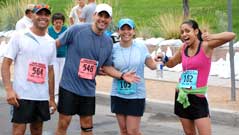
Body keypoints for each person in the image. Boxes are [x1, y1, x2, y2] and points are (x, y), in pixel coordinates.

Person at [55, 4, 139, 135]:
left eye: (107, 17)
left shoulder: (108, 42)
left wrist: (122, 75)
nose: (103, 19)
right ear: (94, 15)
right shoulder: (77, 30)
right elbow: (56, 44)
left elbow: (107, 66)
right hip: (69, 87)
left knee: (87, 126)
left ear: (110, 20)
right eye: (100, 15)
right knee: (63, 124)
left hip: (88, 90)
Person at [157, 19, 235, 135]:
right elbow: (172, 63)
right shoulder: (183, 48)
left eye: (187, 31)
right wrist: (164, 58)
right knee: (189, 133)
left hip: (198, 97)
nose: (184, 34)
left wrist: (211, 36)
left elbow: (231, 35)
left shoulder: (206, 46)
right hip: (182, 95)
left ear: (196, 31)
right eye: (182, 32)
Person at [1, 4, 57, 135]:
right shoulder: (19, 36)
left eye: (46, 14)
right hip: (22, 95)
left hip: (41, 97)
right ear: (32, 16)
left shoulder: (51, 42)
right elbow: (6, 63)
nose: (43, 17)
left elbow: (50, 71)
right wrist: (9, 90)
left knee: (37, 130)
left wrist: (52, 98)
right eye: (39, 14)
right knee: (18, 130)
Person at [110, 18, 158, 135]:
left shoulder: (141, 47)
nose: (126, 32)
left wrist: (160, 60)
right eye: (123, 29)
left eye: (129, 29)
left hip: (136, 94)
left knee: (133, 131)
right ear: (118, 32)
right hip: (118, 93)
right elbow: (108, 68)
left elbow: (152, 65)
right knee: (124, 131)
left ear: (134, 31)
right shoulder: (113, 49)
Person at [48, 12, 67, 102]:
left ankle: (61, 95)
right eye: (56, 22)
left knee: (62, 77)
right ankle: (54, 95)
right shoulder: (49, 30)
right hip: (53, 57)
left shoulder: (66, 29)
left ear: (63, 22)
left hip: (64, 57)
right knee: (54, 76)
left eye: (60, 22)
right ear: (53, 22)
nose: (58, 24)